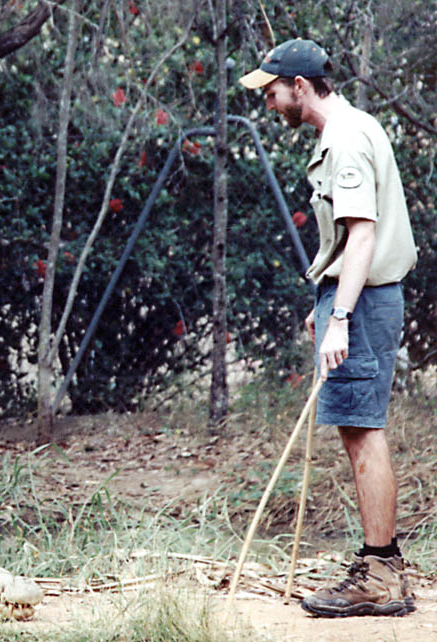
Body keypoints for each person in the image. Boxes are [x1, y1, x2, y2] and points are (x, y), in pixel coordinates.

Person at [239, 38, 417, 617]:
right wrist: (327, 296)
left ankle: (381, 575)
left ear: (301, 86)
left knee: (363, 430)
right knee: (355, 428)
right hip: (353, 296)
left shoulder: (344, 140)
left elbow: (362, 234)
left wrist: (340, 316)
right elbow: (344, 242)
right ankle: (380, 564)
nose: (267, 101)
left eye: (271, 90)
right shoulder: (344, 130)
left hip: (363, 303)